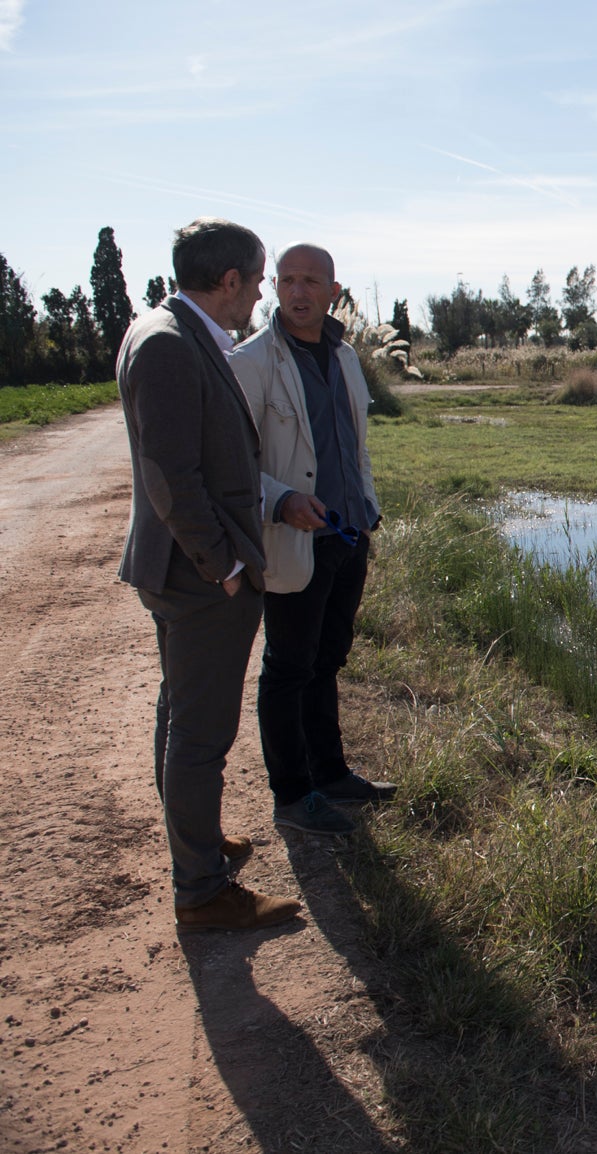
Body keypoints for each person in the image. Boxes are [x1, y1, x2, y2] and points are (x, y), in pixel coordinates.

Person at [116, 217, 301, 932]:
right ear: (229, 281)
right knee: (202, 734)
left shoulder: (169, 331)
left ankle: (194, 840)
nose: (260, 295)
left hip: (183, 572)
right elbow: (171, 474)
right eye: (257, 281)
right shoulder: (167, 343)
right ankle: (200, 889)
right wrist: (221, 564)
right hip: (198, 578)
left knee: (179, 710)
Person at [230, 243, 395, 838]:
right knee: (288, 667)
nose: (298, 291)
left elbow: (355, 444)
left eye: (311, 281)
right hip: (294, 535)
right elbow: (231, 465)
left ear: (333, 290)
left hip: (347, 533)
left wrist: (366, 510)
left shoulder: (345, 356)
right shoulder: (251, 362)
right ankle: (293, 795)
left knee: (328, 658)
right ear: (274, 286)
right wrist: (281, 500)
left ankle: (330, 773)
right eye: (287, 280)